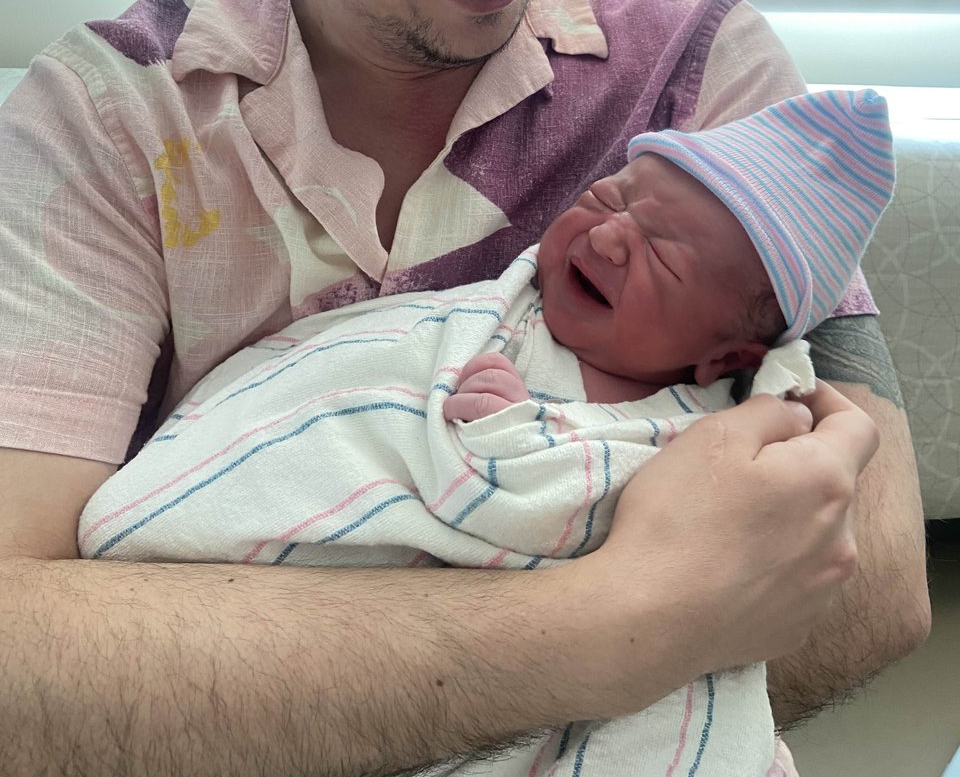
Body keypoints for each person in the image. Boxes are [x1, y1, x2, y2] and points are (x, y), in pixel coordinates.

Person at [0, 0, 928, 774]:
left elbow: (875, 575)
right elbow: (20, 665)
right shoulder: (112, 123)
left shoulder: (708, 83)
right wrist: (610, 620)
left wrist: (258, 675)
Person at [76, 88, 896, 776]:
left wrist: (528, 440)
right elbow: (370, 378)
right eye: (610, 198)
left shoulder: (724, 425)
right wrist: (498, 424)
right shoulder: (497, 322)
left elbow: (694, 525)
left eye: (665, 259)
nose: (610, 236)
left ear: (728, 356)